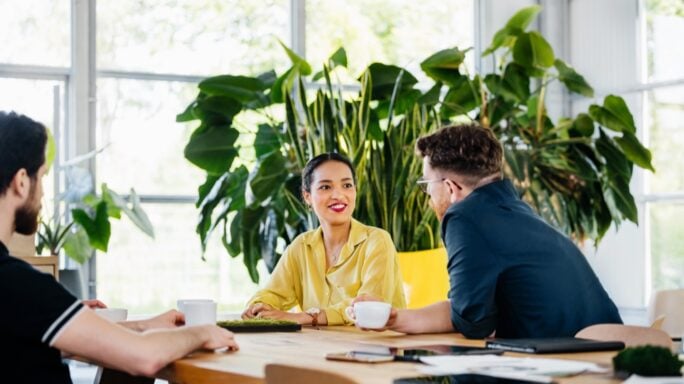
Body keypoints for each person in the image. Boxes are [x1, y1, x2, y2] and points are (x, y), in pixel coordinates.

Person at [0, 111, 239, 383]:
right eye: (41, 177)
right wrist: (203, 332)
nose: (42, 192)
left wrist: (141, 326)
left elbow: (40, 339)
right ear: (21, 181)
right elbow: (145, 358)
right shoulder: (16, 282)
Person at [354, 123, 622, 338]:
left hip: (559, 367)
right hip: (605, 359)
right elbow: (467, 313)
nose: (428, 196)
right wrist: (396, 318)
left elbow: (473, 325)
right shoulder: (515, 212)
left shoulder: (465, 217)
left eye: (427, 185)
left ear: (450, 188)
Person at [242, 153, 406, 325]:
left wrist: (308, 317)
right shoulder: (301, 246)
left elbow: (369, 306)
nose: (338, 195)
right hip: (319, 349)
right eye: (325, 187)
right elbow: (273, 293)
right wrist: (259, 306)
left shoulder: (377, 241)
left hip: (374, 349)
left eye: (347, 185)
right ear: (307, 196)